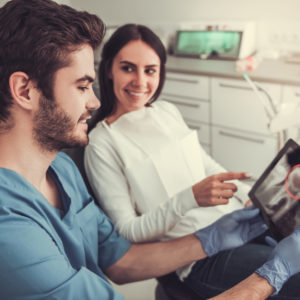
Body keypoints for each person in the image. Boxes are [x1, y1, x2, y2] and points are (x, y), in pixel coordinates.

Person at [0, 2, 298, 300]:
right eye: (81, 87)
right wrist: (270, 277)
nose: (93, 102)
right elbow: (131, 231)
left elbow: (120, 261)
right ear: (25, 91)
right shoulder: (10, 229)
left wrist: (210, 238)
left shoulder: (62, 171)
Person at [84, 23, 300, 299]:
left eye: (150, 70)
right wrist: (190, 198)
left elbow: (207, 165)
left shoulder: (166, 111)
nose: (140, 82)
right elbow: (129, 230)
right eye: (128, 68)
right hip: (198, 259)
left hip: (236, 223)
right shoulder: (102, 143)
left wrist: (252, 196)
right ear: (109, 70)